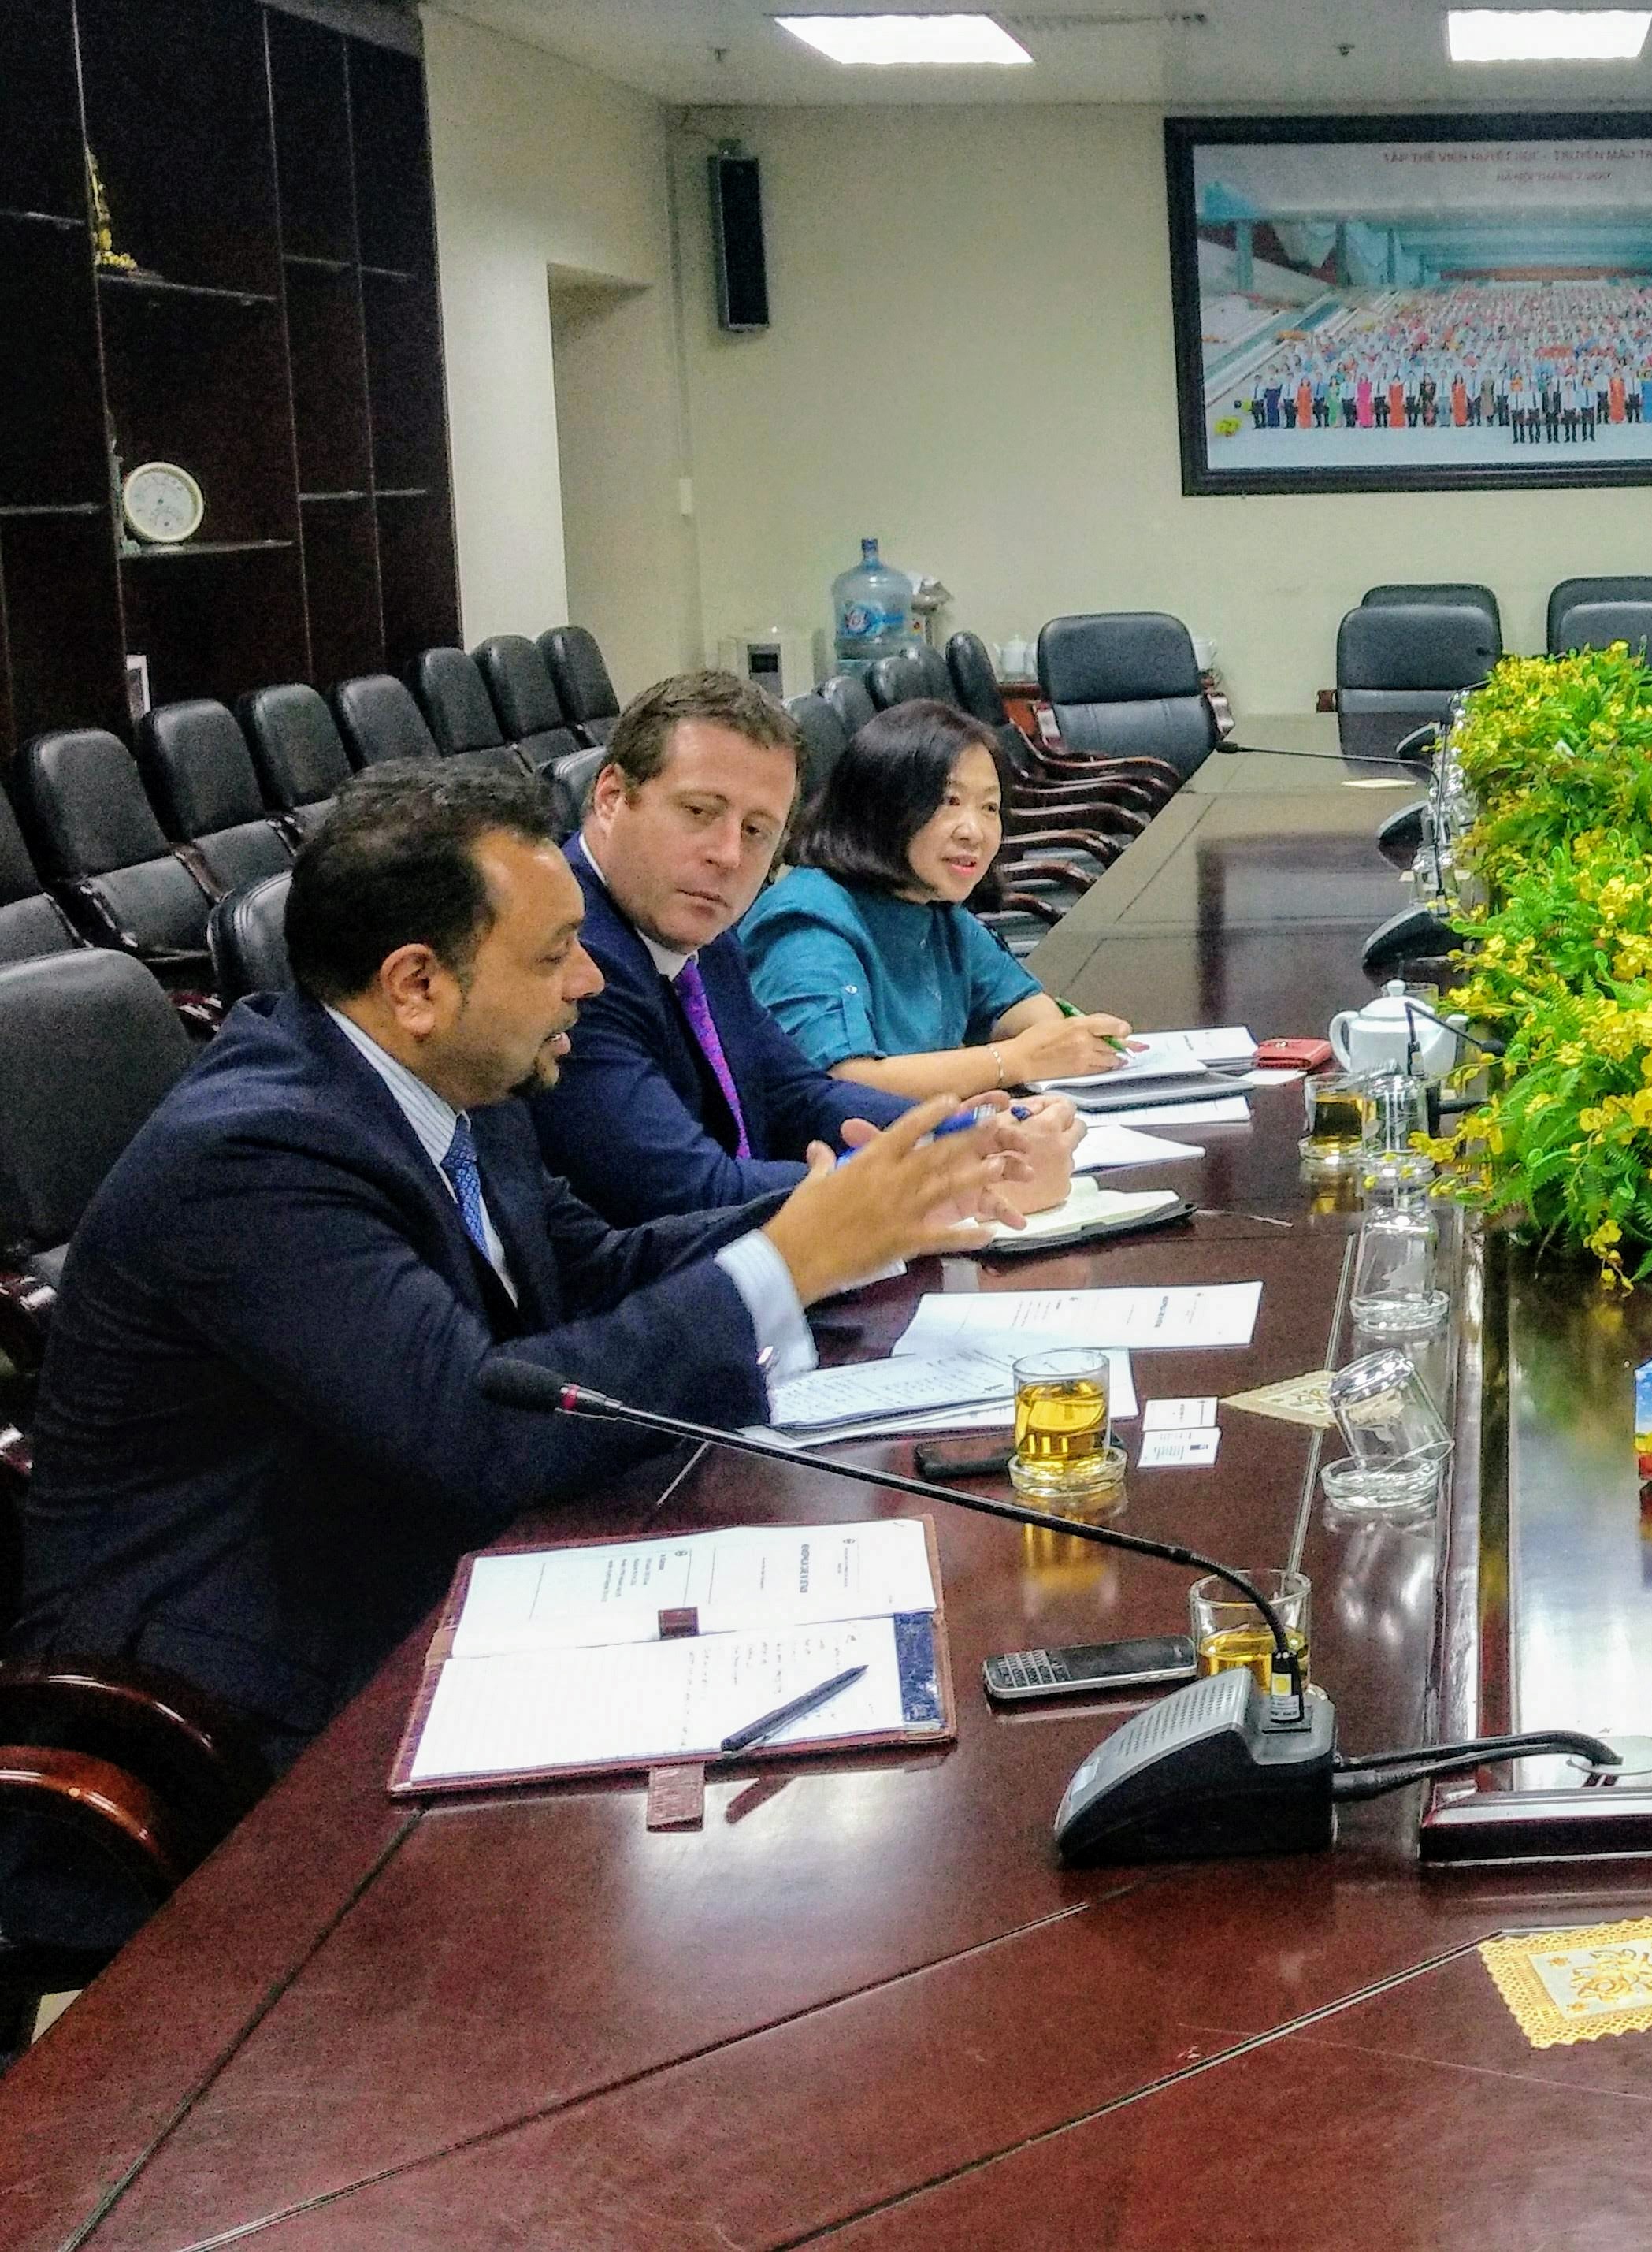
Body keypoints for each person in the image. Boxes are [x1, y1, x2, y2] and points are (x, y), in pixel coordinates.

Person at [11, 760, 1007, 1772]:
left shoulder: (461, 1085)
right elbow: (475, 1430)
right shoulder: (256, 1156)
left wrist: (841, 1220)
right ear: (418, 985)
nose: (590, 978)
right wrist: (784, 1267)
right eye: (555, 953)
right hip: (230, 1700)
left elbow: (595, 1267)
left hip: (421, 1578)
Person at [533, 669, 1082, 1225]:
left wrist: (972, 1131)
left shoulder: (699, 928)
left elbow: (797, 1096)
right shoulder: (564, 955)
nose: (727, 855)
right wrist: (942, 1178)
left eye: (756, 831)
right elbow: (689, 1188)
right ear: (610, 797)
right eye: (699, 811)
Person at [741, 700, 1138, 1098]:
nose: (974, 832)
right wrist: (1015, 1060)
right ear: (881, 803)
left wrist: (1060, 1041)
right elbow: (844, 1086)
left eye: (989, 807)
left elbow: (1024, 1011)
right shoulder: (805, 923)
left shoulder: (930, 905)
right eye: (950, 802)